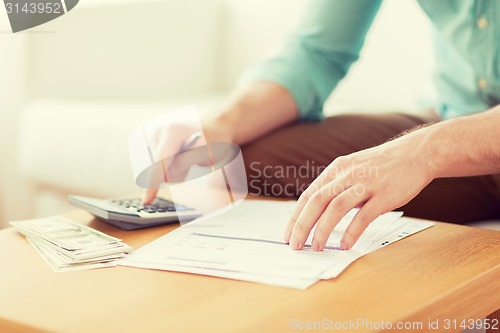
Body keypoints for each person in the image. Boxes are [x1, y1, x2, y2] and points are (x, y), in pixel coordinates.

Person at [145, 0, 500, 251]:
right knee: (246, 158)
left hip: (464, 141)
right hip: (455, 120)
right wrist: (221, 124)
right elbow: (318, 51)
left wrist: (425, 151)